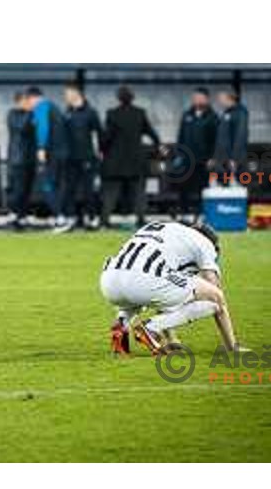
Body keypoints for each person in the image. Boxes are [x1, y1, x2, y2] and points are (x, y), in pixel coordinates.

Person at [100, 221, 240, 356]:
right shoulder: (205, 243)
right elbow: (215, 291)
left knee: (152, 289)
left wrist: (171, 339)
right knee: (215, 301)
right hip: (146, 280)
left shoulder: (162, 229)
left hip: (109, 281)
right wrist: (232, 347)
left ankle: (121, 325)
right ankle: (151, 328)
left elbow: (166, 298)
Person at [101, 86, 162, 228]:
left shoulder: (112, 114)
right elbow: (153, 135)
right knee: (139, 193)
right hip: (136, 161)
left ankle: (104, 221)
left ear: (118, 98)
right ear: (132, 98)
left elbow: (106, 139)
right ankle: (141, 220)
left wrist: (103, 151)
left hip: (115, 162)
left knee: (111, 193)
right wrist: (154, 149)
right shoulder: (140, 113)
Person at [57, 82, 103, 232]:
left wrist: (100, 152)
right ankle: (71, 219)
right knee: (69, 190)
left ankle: (93, 218)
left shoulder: (91, 112)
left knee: (88, 190)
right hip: (70, 159)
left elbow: (99, 134)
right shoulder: (66, 113)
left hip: (87, 158)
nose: (66, 97)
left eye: (68, 94)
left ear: (77, 94)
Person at [24, 86, 69, 226]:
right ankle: (62, 216)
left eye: (28, 100)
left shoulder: (41, 107)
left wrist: (41, 148)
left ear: (33, 98)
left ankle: (60, 218)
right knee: (58, 185)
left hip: (51, 154)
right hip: (62, 153)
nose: (29, 104)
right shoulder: (54, 107)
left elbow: (43, 128)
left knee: (47, 185)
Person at [174, 88, 217, 221]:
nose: (196, 100)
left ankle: (201, 215)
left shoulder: (212, 117)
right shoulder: (187, 115)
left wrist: (213, 157)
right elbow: (180, 136)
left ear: (206, 99)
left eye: (199, 97)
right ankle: (184, 214)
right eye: (194, 98)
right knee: (184, 188)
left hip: (203, 160)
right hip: (187, 159)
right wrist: (179, 154)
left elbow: (216, 140)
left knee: (202, 188)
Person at [6, 92, 36, 229]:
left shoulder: (30, 114)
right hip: (18, 159)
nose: (29, 103)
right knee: (18, 190)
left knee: (27, 190)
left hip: (30, 159)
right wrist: (30, 113)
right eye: (26, 101)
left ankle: (23, 217)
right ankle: (15, 216)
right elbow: (22, 128)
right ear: (18, 101)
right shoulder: (12, 114)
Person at [211, 89, 248, 184]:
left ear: (229, 97)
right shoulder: (225, 113)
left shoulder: (240, 113)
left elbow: (240, 136)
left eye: (221, 98)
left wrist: (235, 158)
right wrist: (215, 157)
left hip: (232, 161)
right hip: (222, 160)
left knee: (235, 191)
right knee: (221, 190)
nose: (219, 101)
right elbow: (220, 138)